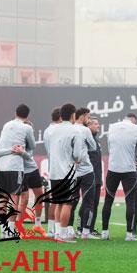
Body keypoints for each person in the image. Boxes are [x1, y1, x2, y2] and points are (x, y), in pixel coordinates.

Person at [0, 104, 36, 238]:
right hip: (14, 167)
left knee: (2, 199)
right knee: (14, 198)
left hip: (1, 167)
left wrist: (9, 149)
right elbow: (33, 145)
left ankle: (3, 230)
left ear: (15, 113)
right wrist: (18, 150)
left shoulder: (6, 125)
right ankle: (11, 230)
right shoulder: (27, 127)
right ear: (27, 116)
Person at [43, 103, 82, 242]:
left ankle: (58, 233)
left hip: (54, 171)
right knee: (67, 203)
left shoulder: (52, 130)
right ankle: (64, 234)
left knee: (59, 202)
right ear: (73, 115)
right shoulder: (75, 130)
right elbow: (77, 155)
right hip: (67, 172)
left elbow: (49, 150)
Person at [102, 113, 137, 241]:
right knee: (130, 201)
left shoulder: (112, 127)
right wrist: (131, 155)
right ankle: (129, 234)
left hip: (113, 168)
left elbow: (109, 147)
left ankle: (104, 233)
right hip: (129, 169)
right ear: (133, 121)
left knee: (108, 200)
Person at [17, 120, 47, 238]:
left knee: (40, 196)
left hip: (33, 169)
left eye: (30, 130)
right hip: (21, 171)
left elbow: (28, 156)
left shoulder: (30, 140)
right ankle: (19, 227)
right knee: (24, 199)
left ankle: (37, 225)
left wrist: (23, 152)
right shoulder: (16, 140)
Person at [72, 107, 97, 240]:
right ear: (83, 116)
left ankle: (68, 230)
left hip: (72, 171)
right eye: (88, 117)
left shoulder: (69, 129)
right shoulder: (85, 130)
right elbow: (93, 147)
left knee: (71, 201)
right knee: (89, 202)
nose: (89, 119)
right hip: (86, 170)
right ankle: (85, 232)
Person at [43, 107, 61, 237]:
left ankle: (51, 230)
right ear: (60, 117)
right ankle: (58, 230)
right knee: (59, 201)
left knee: (55, 200)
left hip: (53, 167)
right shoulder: (56, 130)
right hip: (60, 168)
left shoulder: (47, 130)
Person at [87, 117, 103, 237]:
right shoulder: (87, 139)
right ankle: (84, 228)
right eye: (95, 124)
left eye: (98, 123)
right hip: (89, 177)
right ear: (89, 126)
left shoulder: (96, 139)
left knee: (95, 203)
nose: (98, 126)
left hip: (97, 177)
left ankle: (91, 228)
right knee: (88, 203)